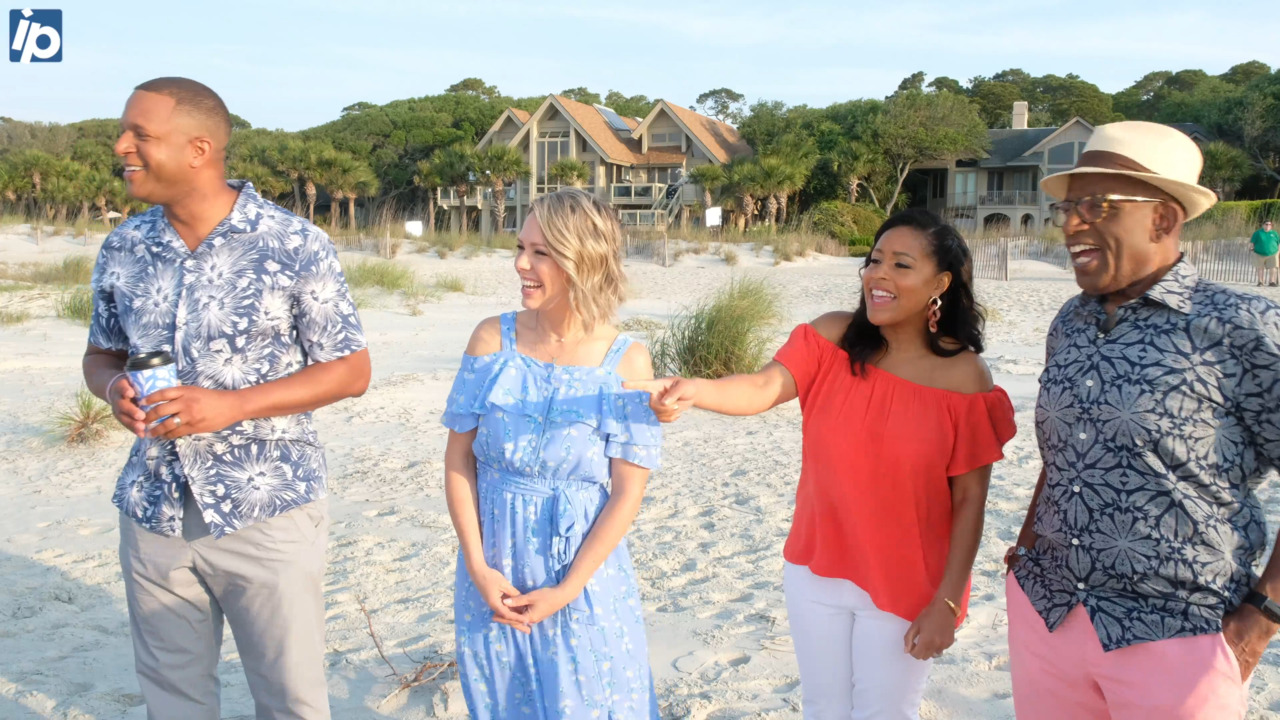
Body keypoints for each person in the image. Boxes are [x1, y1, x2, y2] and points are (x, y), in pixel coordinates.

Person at [630, 209, 1016, 719]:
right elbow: (763, 387)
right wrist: (696, 390)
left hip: (906, 578)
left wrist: (947, 603)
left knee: (883, 713)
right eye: (874, 260)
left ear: (939, 283)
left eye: (901, 265)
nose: (878, 274)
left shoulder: (964, 377)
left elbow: (970, 501)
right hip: (817, 565)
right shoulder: (832, 338)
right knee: (823, 709)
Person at [82, 77, 371, 720]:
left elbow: (351, 370)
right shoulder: (124, 247)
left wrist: (233, 405)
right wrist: (113, 390)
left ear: (199, 149)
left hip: (267, 507)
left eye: (141, 135)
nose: (121, 145)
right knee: (174, 702)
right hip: (152, 507)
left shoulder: (293, 244)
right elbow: (101, 354)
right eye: (124, 131)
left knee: (291, 701)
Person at [1006, 121, 1280, 720]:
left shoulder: (1240, 326)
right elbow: (1065, 454)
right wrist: (1025, 552)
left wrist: (1261, 620)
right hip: (1048, 613)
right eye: (1068, 208)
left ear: (1162, 219)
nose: (1072, 223)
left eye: (1096, 206)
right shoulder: (1070, 323)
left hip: (1180, 632)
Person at [441, 188, 663, 719]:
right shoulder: (491, 339)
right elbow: (458, 461)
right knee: (502, 700)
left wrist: (567, 589)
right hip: (494, 569)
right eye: (521, 247)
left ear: (583, 258)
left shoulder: (627, 361)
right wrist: (478, 566)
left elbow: (627, 493)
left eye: (541, 252)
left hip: (582, 571)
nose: (521, 264)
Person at [1251, 218, 1279, 287]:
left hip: (1273, 253)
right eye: (1266, 224)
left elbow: (1279, 243)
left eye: (1270, 224)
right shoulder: (1258, 233)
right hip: (1259, 253)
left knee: (1273, 267)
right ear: (1263, 225)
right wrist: (1252, 248)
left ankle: (1272, 281)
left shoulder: (1274, 233)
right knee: (1260, 267)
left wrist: (1278, 251)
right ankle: (1260, 281)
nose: (1268, 226)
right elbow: (1252, 242)